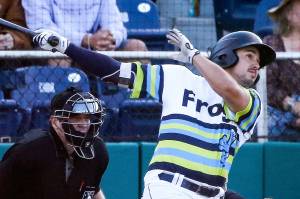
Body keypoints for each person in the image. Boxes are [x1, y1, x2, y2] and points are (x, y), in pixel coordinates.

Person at [32, 27, 275, 199]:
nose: (256, 64)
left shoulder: (252, 102)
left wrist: (194, 55)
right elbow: (115, 71)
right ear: (225, 56)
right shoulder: (178, 78)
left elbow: (227, 89)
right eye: (249, 56)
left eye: (259, 61)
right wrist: (66, 47)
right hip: (168, 189)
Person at [0, 87, 109, 199]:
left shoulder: (97, 151)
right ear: (55, 122)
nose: (84, 124)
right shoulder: (29, 151)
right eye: (76, 118)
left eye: (87, 118)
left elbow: (93, 190)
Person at [22, 0, 148, 66]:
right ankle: (63, 107)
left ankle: (141, 107)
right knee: (59, 53)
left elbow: (115, 25)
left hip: (96, 48)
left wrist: (110, 39)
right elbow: (40, 28)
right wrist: (85, 39)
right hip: (61, 48)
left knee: (136, 46)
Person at [263, 0, 300, 139]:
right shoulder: (271, 44)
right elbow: (268, 87)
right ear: (288, 14)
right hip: (277, 114)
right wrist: (294, 106)